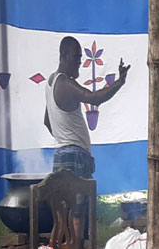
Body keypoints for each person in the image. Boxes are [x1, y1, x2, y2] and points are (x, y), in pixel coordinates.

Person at [43, 36, 129, 179]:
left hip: (60, 156)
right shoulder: (65, 83)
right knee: (81, 194)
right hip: (75, 156)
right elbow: (95, 99)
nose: (79, 62)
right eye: (76, 56)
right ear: (64, 55)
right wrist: (120, 81)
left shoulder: (50, 82)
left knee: (63, 194)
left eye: (80, 57)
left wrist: (64, 140)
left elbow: (47, 121)